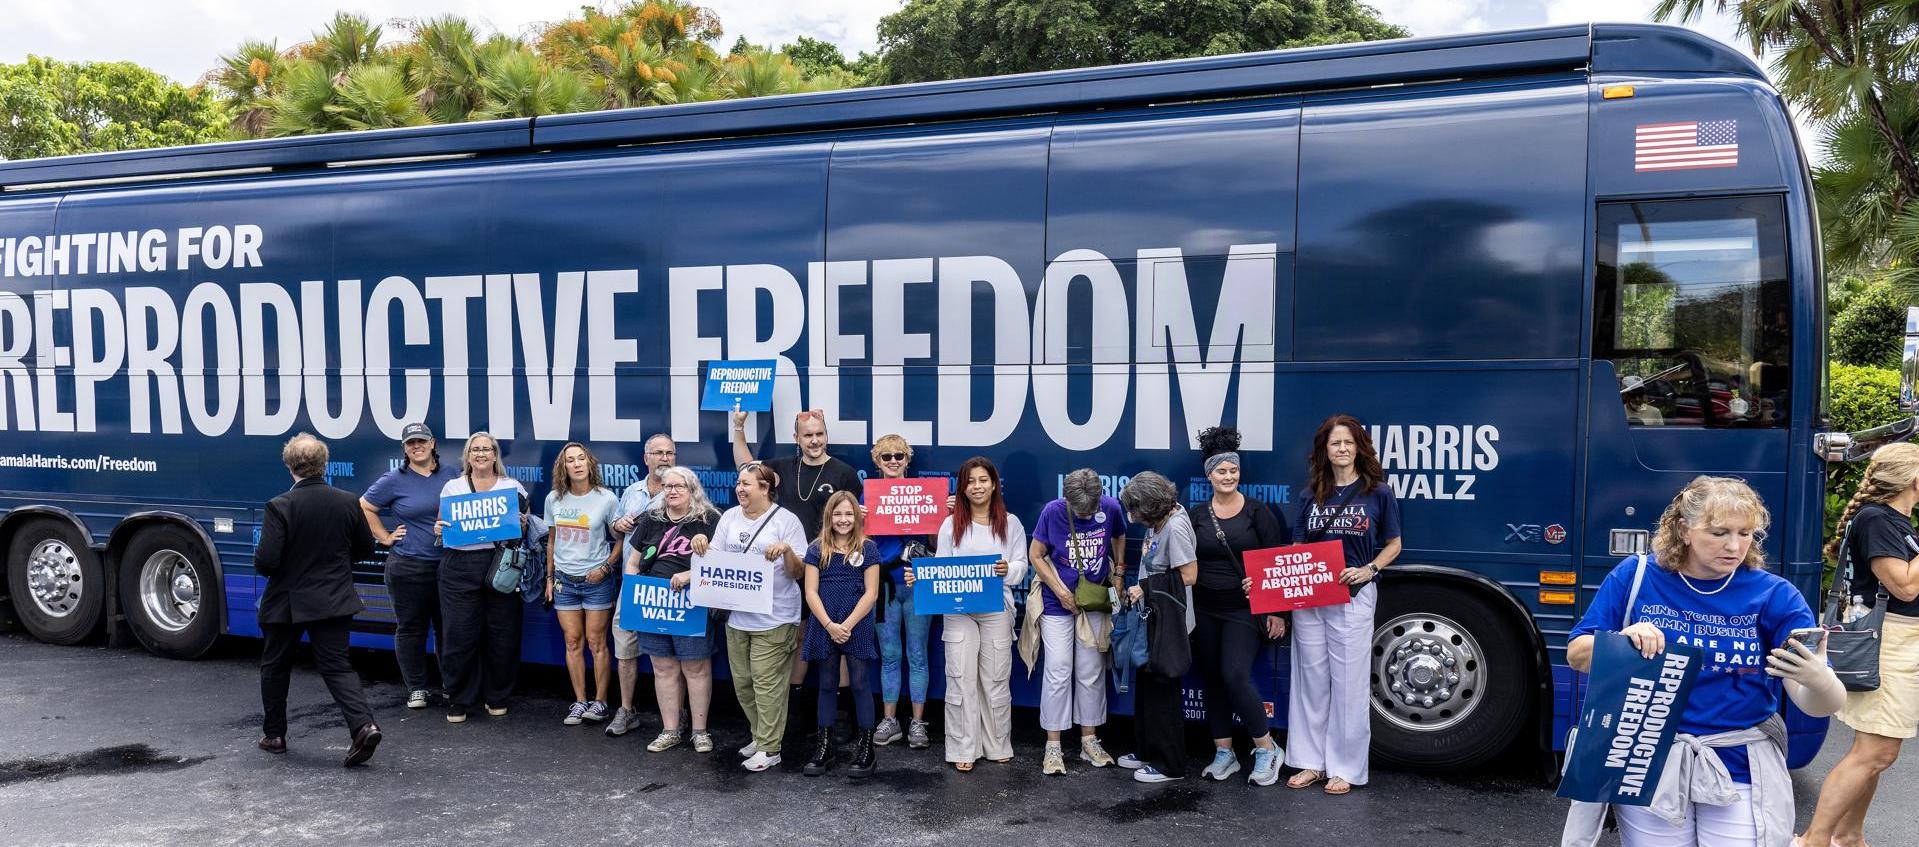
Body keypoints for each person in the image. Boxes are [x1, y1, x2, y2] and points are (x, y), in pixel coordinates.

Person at [1562, 476, 1845, 847]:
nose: (1734, 546)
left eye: (1746, 533)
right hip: (1647, 757)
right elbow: (1577, 655)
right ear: (1684, 529)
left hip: (1741, 762)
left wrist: (1818, 680)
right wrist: (1622, 641)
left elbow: (1817, 702)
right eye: (1719, 532)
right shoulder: (1637, 576)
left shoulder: (1774, 594)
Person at [1801, 444, 1919, 847]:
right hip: (1888, 643)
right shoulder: (1879, 520)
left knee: (1876, 753)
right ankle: (1814, 841)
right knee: (1875, 753)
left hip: (1896, 641)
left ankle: (1849, 837)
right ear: (1913, 479)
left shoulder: (1893, 522)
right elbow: (1903, 585)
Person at [1286, 414, 1399, 795]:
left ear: (1359, 448)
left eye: (1348, 442)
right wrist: (1272, 579)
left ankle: (1345, 768)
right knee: (1311, 681)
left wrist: (1369, 570)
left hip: (1353, 595)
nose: (1342, 449)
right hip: (1311, 596)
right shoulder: (1310, 494)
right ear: (1325, 449)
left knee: (1348, 683)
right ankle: (1309, 762)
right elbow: (1297, 548)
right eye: (1335, 443)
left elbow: (1394, 545)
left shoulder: (1378, 492)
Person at [255, 433, 381, 767]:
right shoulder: (347, 501)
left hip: (286, 602)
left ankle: (275, 735)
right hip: (334, 599)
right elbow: (366, 549)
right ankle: (364, 726)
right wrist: (335, 569)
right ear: (324, 465)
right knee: (337, 667)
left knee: (275, 668)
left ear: (289, 465)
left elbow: (266, 562)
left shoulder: (279, 506)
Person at [907, 456, 1027, 772]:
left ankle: (998, 744)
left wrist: (1007, 570)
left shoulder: (1011, 523)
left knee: (996, 679)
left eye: (983, 480)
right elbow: (941, 568)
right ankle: (963, 747)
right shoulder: (951, 524)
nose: (977, 486)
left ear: (994, 484)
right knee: (960, 677)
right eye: (970, 481)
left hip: (996, 610)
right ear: (963, 487)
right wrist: (920, 577)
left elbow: (1021, 565)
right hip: (958, 610)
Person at [693, 462, 809, 772]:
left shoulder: (787, 521)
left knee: (767, 685)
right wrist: (701, 544)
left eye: (746, 484)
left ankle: (771, 749)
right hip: (737, 618)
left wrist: (786, 551)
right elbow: (714, 559)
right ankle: (761, 736)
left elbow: (798, 573)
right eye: (738, 483)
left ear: (765, 488)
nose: (740, 489)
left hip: (776, 617)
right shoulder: (729, 517)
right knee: (744, 684)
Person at [1189, 426, 1289, 786]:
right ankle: (1224, 753)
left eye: (1233, 470)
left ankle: (1266, 749)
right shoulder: (1197, 514)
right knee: (1212, 679)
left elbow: (1277, 563)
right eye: (1221, 471)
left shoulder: (1259, 512)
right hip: (1204, 609)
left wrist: (1277, 610)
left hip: (1243, 612)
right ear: (1209, 475)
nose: (1229, 476)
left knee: (1233, 675)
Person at [1027, 467, 1126, 775]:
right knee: (1057, 669)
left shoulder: (1110, 507)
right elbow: (1036, 554)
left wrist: (1119, 574)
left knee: (1091, 670)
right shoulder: (1052, 512)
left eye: (1090, 509)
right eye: (1079, 510)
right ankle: (1053, 745)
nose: (1086, 514)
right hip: (1057, 602)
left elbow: (1120, 535)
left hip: (1094, 600)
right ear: (1066, 499)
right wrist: (1059, 591)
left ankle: (1089, 740)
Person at [434, 432, 535, 724]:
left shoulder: (511, 486)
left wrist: (522, 523)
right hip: (459, 565)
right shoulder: (452, 487)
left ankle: (497, 696)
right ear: (468, 456)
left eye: (486, 450)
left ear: (495, 456)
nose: (480, 454)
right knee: (458, 635)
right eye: (475, 450)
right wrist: (439, 529)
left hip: (500, 563)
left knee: (502, 634)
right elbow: (441, 523)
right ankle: (459, 699)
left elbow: (526, 526)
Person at [359, 422, 457, 710]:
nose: (417, 446)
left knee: (448, 629)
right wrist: (385, 537)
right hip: (408, 566)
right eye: (410, 443)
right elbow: (364, 506)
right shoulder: (394, 479)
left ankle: (452, 687)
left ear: (433, 443)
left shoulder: (452, 475)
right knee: (411, 628)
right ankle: (417, 688)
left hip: (447, 565)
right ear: (404, 449)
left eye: (421, 441)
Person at [623, 466, 721, 754]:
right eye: (667, 487)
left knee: (696, 668)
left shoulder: (709, 520)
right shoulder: (652, 519)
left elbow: (721, 563)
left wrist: (689, 576)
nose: (673, 491)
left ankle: (700, 732)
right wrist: (632, 595)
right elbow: (633, 562)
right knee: (663, 668)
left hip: (693, 604)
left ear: (693, 490)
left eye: (679, 486)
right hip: (653, 604)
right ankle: (670, 730)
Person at [1114, 471, 1198, 783]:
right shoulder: (1160, 521)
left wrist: (1145, 588)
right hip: (1151, 617)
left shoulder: (1175, 528)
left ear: (1151, 507)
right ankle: (1148, 749)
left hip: (1169, 621)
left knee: (1164, 688)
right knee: (1147, 684)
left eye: (1135, 509)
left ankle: (1169, 764)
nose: (1131, 516)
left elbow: (1189, 575)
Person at [800, 491, 883, 777]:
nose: (844, 519)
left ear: (857, 517)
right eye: (838, 514)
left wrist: (847, 625)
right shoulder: (816, 548)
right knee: (826, 683)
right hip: (825, 624)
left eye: (849, 514)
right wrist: (829, 625)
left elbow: (872, 593)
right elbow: (810, 591)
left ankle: (867, 748)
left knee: (860, 683)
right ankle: (825, 748)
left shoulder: (868, 549)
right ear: (829, 517)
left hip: (856, 624)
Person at [545, 442, 623, 726]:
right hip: (565, 581)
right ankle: (579, 701)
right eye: (570, 460)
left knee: (596, 642)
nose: (576, 464)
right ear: (563, 467)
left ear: (590, 464)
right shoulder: (554, 499)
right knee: (572, 641)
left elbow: (619, 540)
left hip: (596, 581)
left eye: (581, 459)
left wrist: (606, 568)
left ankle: (600, 702)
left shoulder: (606, 498)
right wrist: (550, 578)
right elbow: (551, 541)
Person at [606, 433, 679, 737]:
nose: (664, 458)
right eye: (658, 452)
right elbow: (615, 531)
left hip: (669, 586)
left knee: (674, 651)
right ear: (645, 458)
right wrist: (618, 525)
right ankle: (627, 709)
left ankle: (678, 715)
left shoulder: (683, 489)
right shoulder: (632, 491)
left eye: (669, 453)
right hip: (633, 581)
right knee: (625, 644)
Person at [867, 434, 935, 750]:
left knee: (918, 654)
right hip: (883, 587)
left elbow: (940, 544)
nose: (893, 462)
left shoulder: (927, 496)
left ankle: (918, 723)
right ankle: (890, 720)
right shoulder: (866, 499)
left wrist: (945, 511)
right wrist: (859, 518)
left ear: (907, 460)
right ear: (877, 461)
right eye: (886, 457)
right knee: (890, 655)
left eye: (898, 456)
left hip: (918, 585)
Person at [731, 407, 863, 537]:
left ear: (826, 435)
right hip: (786, 552)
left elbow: (855, 522)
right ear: (797, 438)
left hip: (825, 553)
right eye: (808, 435)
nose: (815, 440)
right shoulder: (782, 467)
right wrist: (738, 426)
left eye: (820, 434)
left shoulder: (845, 473)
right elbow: (745, 467)